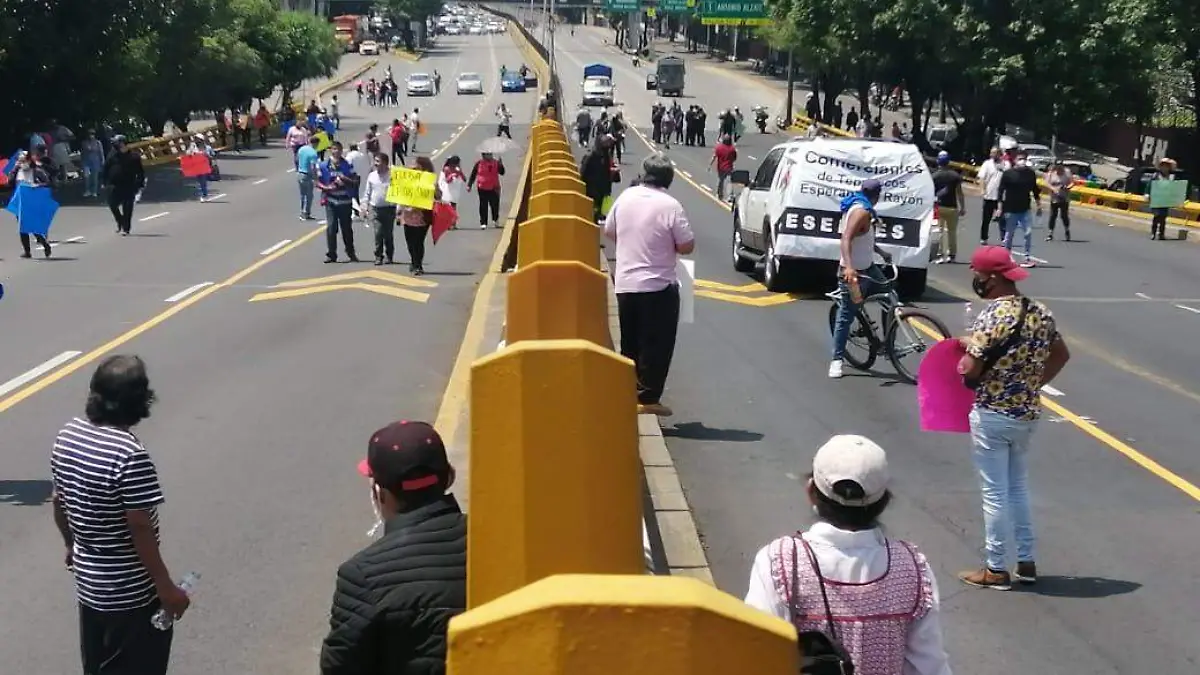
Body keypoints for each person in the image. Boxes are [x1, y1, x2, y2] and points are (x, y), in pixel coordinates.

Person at [744, 435, 953, 675]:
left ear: (811, 491)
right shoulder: (912, 567)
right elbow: (929, 664)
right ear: (884, 501)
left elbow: (758, 650)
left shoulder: (781, 561)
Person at [51, 355, 190, 675]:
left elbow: (59, 502)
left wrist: (71, 543)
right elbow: (140, 527)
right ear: (140, 402)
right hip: (130, 596)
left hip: (89, 587)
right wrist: (166, 587)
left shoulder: (68, 435)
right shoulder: (129, 454)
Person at [956, 246, 1070, 590]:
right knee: (1018, 487)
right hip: (1026, 414)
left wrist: (964, 360)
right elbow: (1061, 355)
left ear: (991, 278)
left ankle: (995, 568)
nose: (975, 280)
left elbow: (972, 368)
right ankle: (1026, 561)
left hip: (992, 413)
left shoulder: (991, 317)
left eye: (977, 274)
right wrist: (1032, 384)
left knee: (994, 493)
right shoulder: (1040, 312)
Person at [319, 420, 466, 675]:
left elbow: (340, 668)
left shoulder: (361, 577)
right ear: (450, 476)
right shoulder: (500, 543)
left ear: (380, 493)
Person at [603, 153, 695, 417]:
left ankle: (626, 392)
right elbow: (687, 245)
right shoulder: (671, 205)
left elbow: (609, 230)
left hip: (625, 283)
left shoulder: (626, 197)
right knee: (656, 344)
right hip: (658, 286)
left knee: (629, 341)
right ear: (669, 178)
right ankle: (647, 398)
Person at [829, 179, 892, 379]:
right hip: (853, 273)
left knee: (890, 298)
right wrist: (848, 267)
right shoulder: (862, 211)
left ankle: (888, 343)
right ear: (877, 195)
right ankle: (837, 360)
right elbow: (846, 237)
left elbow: (862, 237)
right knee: (846, 315)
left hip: (869, 268)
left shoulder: (863, 206)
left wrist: (881, 252)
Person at [317, 141, 360, 263]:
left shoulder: (347, 164)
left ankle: (351, 252)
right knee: (331, 228)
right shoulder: (324, 165)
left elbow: (355, 181)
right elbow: (317, 181)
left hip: (345, 201)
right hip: (331, 201)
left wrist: (344, 180)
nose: (336, 151)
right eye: (334, 149)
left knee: (346, 229)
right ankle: (331, 254)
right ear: (331, 150)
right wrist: (326, 187)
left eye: (338, 149)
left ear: (342, 150)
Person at [997, 152, 1041, 267]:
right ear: (1015, 160)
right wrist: (999, 207)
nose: (1023, 161)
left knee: (1028, 233)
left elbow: (1035, 190)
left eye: (1024, 159)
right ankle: (1006, 256)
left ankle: (1027, 258)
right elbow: (1001, 191)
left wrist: (1039, 205)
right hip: (1010, 208)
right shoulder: (1008, 174)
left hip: (1025, 208)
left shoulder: (1030, 174)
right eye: (1020, 159)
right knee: (1009, 234)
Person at [399, 156, 439, 275]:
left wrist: (434, 189)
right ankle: (413, 261)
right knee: (410, 242)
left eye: (415, 165)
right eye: (412, 166)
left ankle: (418, 265)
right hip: (407, 216)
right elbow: (400, 196)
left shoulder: (428, 181)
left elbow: (438, 196)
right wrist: (399, 211)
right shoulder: (407, 179)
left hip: (422, 216)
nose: (412, 167)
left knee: (418, 242)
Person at [12, 152, 53, 259]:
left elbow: (48, 182)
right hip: (20, 202)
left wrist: (38, 185)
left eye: (23, 161)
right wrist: (14, 169)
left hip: (32, 201)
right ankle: (27, 252)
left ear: (29, 161)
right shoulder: (18, 171)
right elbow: (10, 182)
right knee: (22, 228)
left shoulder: (37, 171)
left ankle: (45, 243)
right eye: (20, 161)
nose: (22, 163)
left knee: (31, 226)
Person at [103, 135, 146, 236]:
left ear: (122, 143)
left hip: (129, 185)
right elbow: (105, 169)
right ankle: (120, 220)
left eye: (117, 143)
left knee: (127, 207)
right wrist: (104, 182)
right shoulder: (112, 155)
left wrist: (140, 184)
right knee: (112, 204)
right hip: (113, 185)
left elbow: (140, 172)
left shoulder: (134, 157)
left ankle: (126, 228)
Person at [930, 151, 966, 263]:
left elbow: (930, 192)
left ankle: (940, 254)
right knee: (952, 232)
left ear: (938, 161)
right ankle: (952, 255)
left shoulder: (934, 176)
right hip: (952, 207)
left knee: (939, 231)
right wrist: (963, 207)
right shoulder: (955, 175)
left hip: (938, 206)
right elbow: (959, 193)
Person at [362, 152, 396, 266]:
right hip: (376, 209)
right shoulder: (372, 176)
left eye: (378, 161)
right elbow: (367, 192)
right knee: (378, 233)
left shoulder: (393, 175)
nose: (375, 164)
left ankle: (389, 255)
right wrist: (364, 206)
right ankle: (378, 256)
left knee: (388, 234)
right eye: (375, 161)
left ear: (386, 163)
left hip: (390, 209)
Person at [467, 151, 505, 230]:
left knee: (495, 204)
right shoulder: (479, 163)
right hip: (482, 187)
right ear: (483, 155)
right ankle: (483, 222)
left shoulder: (496, 163)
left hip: (494, 187)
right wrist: (469, 185)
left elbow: (502, 172)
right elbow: (473, 174)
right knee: (483, 205)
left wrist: (501, 165)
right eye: (488, 154)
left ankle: (495, 219)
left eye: (490, 154)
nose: (490, 156)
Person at [976, 147, 1005, 243]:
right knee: (986, 219)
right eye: (991, 153)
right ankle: (984, 238)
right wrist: (982, 190)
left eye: (994, 153)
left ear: (999, 154)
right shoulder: (987, 164)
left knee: (1002, 220)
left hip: (1001, 197)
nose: (992, 155)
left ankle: (1004, 238)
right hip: (989, 196)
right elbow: (981, 178)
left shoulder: (1005, 164)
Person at [1149, 157, 1176, 240]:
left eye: (1166, 166)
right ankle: (1153, 233)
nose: (1165, 168)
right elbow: (1150, 186)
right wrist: (1147, 194)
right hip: (1157, 199)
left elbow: (1174, 188)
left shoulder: (1171, 177)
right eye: (1163, 166)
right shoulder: (1155, 176)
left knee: (1163, 218)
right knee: (1156, 216)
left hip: (1165, 200)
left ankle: (1161, 234)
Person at [1044, 162, 1073, 241]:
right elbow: (1046, 183)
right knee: (1053, 215)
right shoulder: (1051, 173)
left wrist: (1067, 187)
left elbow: (1072, 183)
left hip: (1064, 197)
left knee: (1064, 215)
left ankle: (1067, 230)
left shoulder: (1067, 172)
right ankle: (1050, 233)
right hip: (1054, 198)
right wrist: (1053, 189)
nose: (1059, 170)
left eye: (1060, 168)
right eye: (1057, 168)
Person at [187, 134, 215, 202]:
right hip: (196, 166)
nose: (196, 140)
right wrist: (191, 154)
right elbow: (188, 153)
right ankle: (203, 193)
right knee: (199, 181)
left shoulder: (207, 147)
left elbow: (212, 155)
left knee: (203, 181)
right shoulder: (193, 146)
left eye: (198, 139)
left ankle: (203, 195)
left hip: (204, 166)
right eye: (195, 139)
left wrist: (206, 155)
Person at [709, 134, 737, 201]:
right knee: (729, 182)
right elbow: (734, 158)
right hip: (729, 167)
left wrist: (710, 164)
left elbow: (714, 156)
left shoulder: (719, 148)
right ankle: (730, 196)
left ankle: (719, 194)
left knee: (720, 181)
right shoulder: (732, 149)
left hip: (720, 168)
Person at [80, 129, 105, 198]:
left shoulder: (98, 143)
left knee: (95, 177)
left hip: (95, 161)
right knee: (86, 177)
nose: (91, 135)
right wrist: (81, 162)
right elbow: (82, 153)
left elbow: (101, 153)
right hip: (86, 161)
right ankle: (87, 190)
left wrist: (102, 160)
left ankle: (94, 191)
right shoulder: (84, 143)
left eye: (92, 134)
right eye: (90, 134)